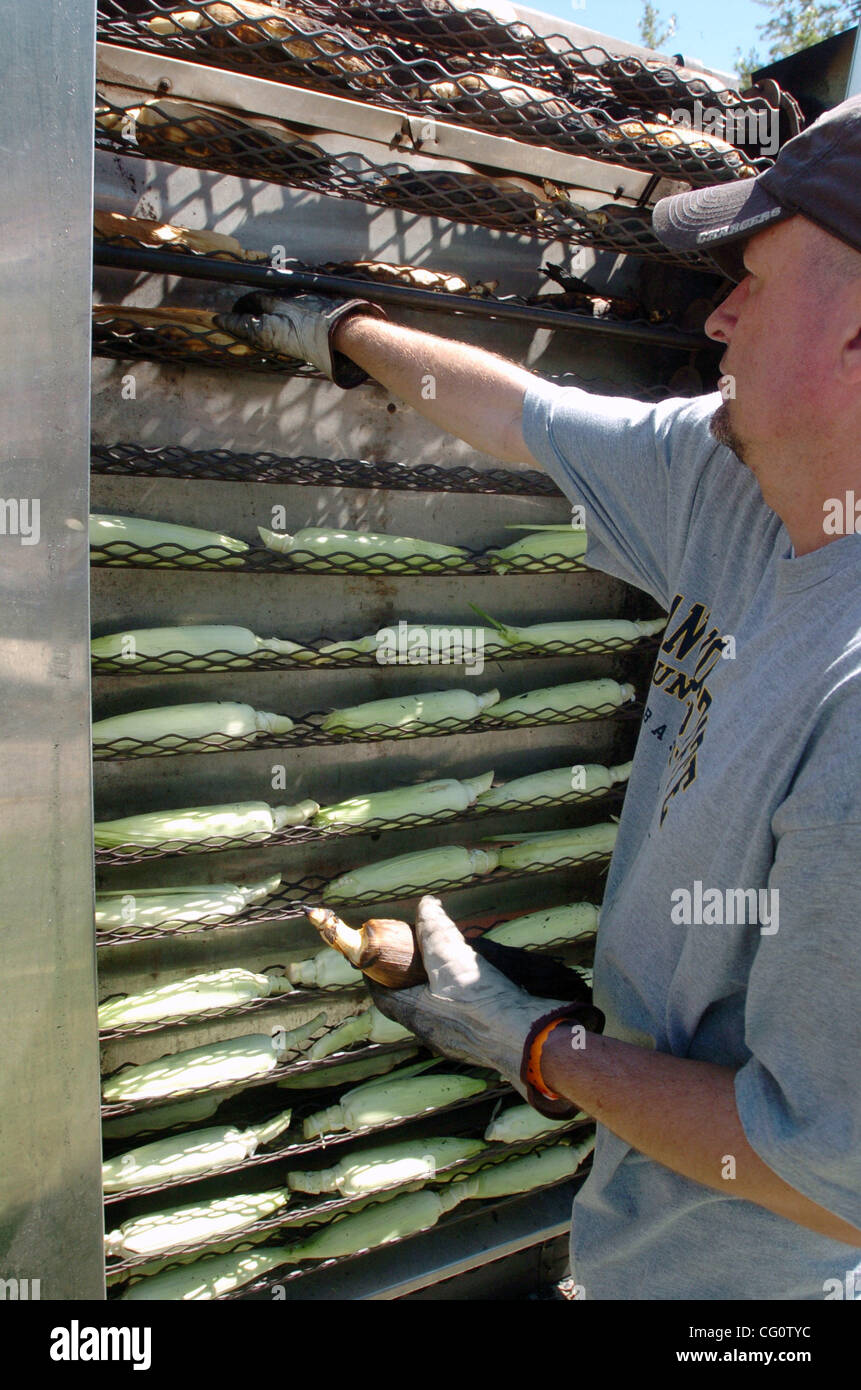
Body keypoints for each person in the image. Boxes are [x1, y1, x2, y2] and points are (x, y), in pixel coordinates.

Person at [218, 95, 861, 1299]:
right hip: (632, 1238)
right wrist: (339, 327)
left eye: (758, 284)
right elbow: (527, 416)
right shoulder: (746, 480)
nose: (717, 314)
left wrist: (533, 1046)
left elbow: (825, 1173)